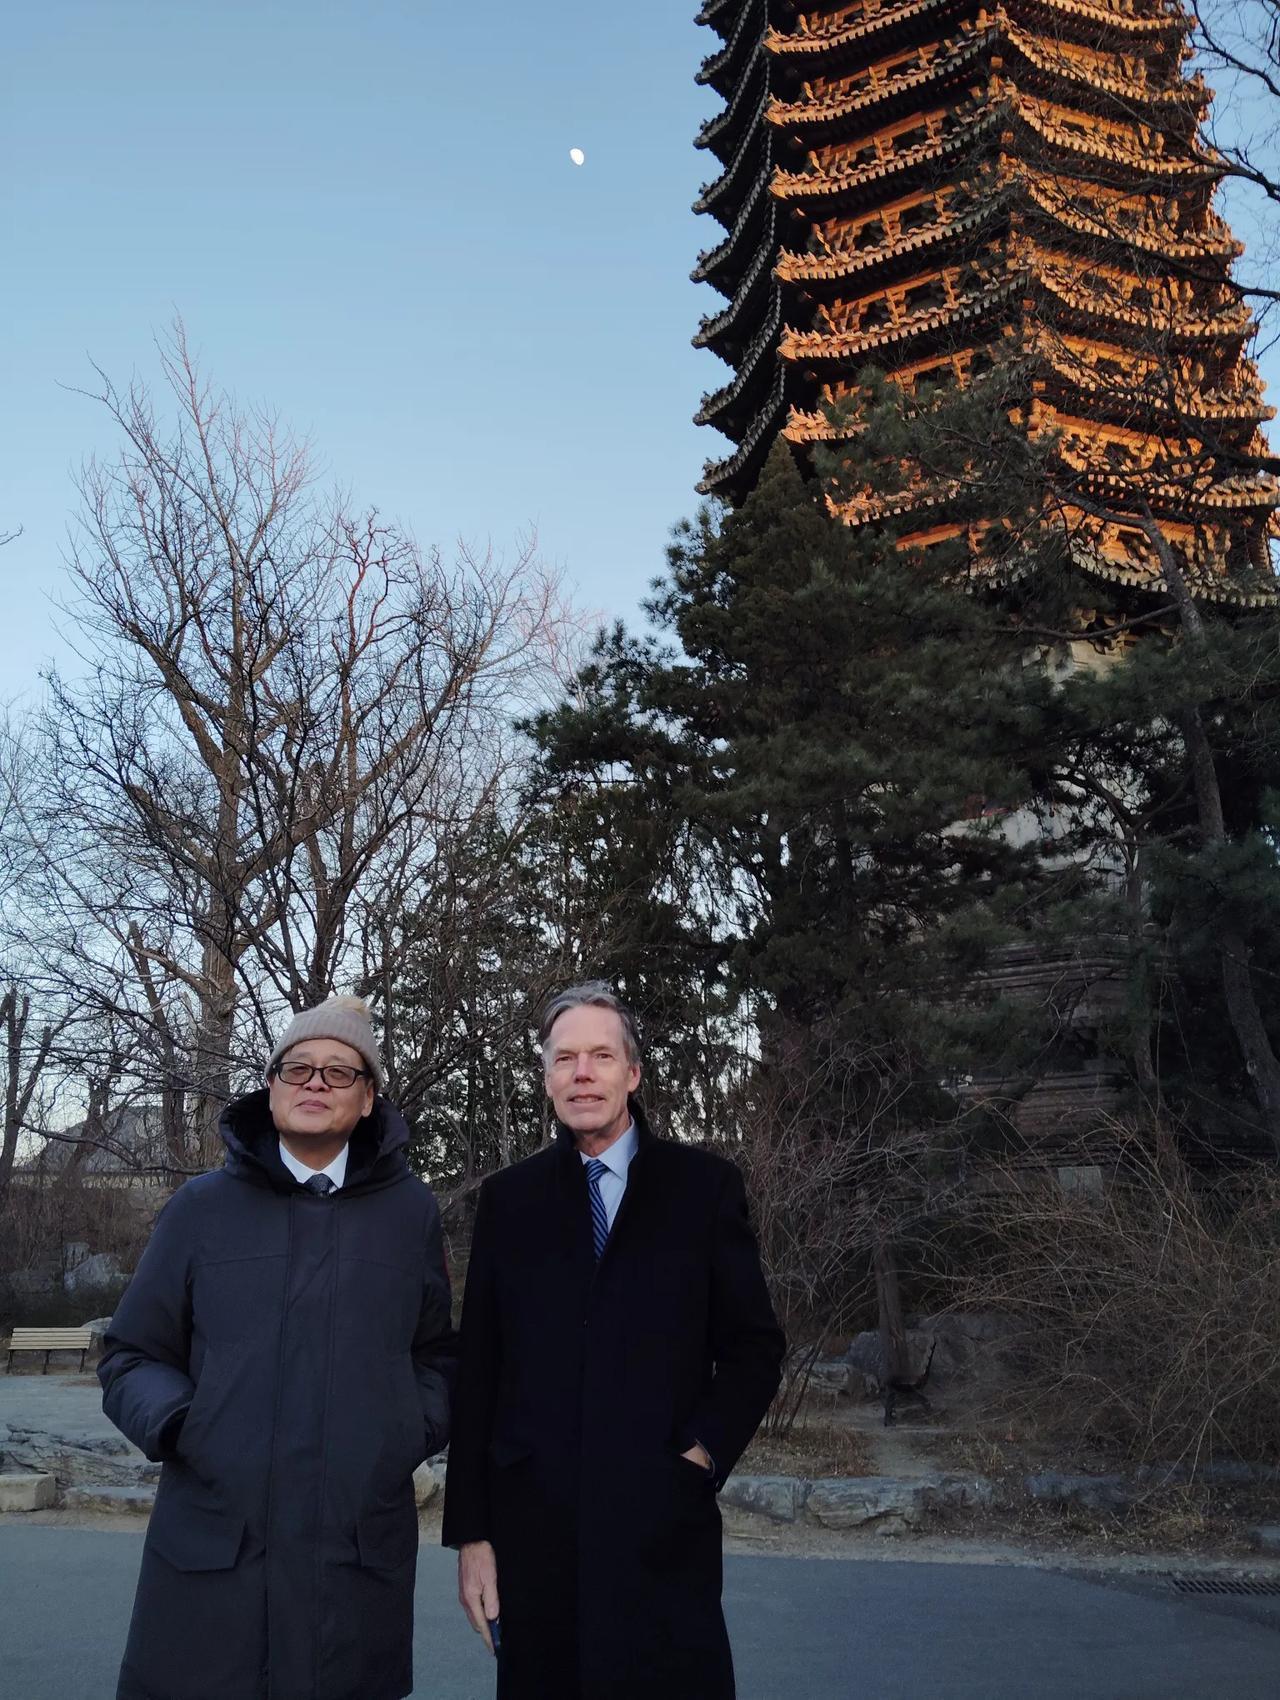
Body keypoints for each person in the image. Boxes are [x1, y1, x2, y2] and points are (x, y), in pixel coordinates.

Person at [99, 995, 455, 1700]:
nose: (315, 1083)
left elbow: (437, 1355)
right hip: (214, 1556)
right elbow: (130, 1354)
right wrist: (184, 1423)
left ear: (369, 1097)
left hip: (353, 1565)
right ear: (271, 1087)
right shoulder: (201, 1210)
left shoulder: (410, 1213)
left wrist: (402, 1430)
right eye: (297, 1068)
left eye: (338, 1071)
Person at [443, 981, 785, 1700]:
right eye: (564, 1059)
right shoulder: (510, 1201)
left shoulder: (704, 1188)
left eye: (601, 1056)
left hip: (660, 1526)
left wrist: (697, 1457)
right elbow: (478, 1372)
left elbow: (754, 1348)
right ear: (545, 1080)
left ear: (632, 1073)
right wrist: (472, 1539)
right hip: (533, 1536)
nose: (582, 1073)